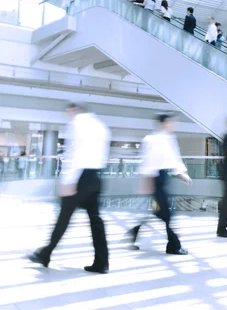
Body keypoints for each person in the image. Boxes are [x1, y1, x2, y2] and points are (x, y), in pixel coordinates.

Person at [28, 103, 110, 274]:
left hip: (79, 177)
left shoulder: (77, 123)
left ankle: (46, 253)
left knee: (64, 217)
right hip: (96, 176)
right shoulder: (101, 125)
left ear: (74, 110)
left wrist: (68, 181)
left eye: (67, 112)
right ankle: (102, 262)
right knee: (96, 220)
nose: (67, 115)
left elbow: (74, 153)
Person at [126, 113, 192, 255]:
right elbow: (147, 161)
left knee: (161, 212)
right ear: (164, 123)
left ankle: (134, 232)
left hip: (162, 178)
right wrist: (147, 181)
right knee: (168, 213)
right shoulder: (152, 139)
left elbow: (173, 158)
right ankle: (173, 245)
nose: (174, 125)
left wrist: (182, 174)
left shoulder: (168, 138)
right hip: (154, 178)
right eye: (171, 122)